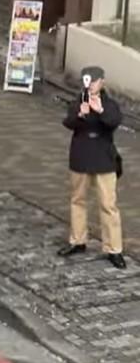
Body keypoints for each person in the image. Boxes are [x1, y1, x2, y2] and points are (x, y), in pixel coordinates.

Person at [57, 66, 125, 269]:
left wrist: (100, 110)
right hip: (81, 157)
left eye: (94, 81)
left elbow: (114, 121)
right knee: (77, 200)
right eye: (87, 81)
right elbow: (68, 122)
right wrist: (80, 114)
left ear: (102, 82)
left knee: (108, 205)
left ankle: (114, 248)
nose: (91, 85)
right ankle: (78, 240)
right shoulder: (78, 101)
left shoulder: (109, 104)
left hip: (103, 159)